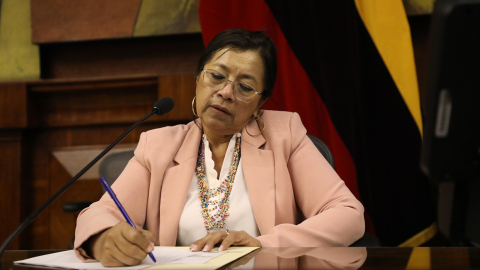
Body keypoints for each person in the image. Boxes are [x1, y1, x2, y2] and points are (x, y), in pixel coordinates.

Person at [74, 29, 365, 266]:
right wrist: (105, 240)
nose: (226, 93)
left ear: (260, 103)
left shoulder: (284, 134)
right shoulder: (159, 145)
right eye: (216, 76)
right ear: (198, 78)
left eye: (245, 87)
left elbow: (348, 214)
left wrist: (264, 244)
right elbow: (99, 215)